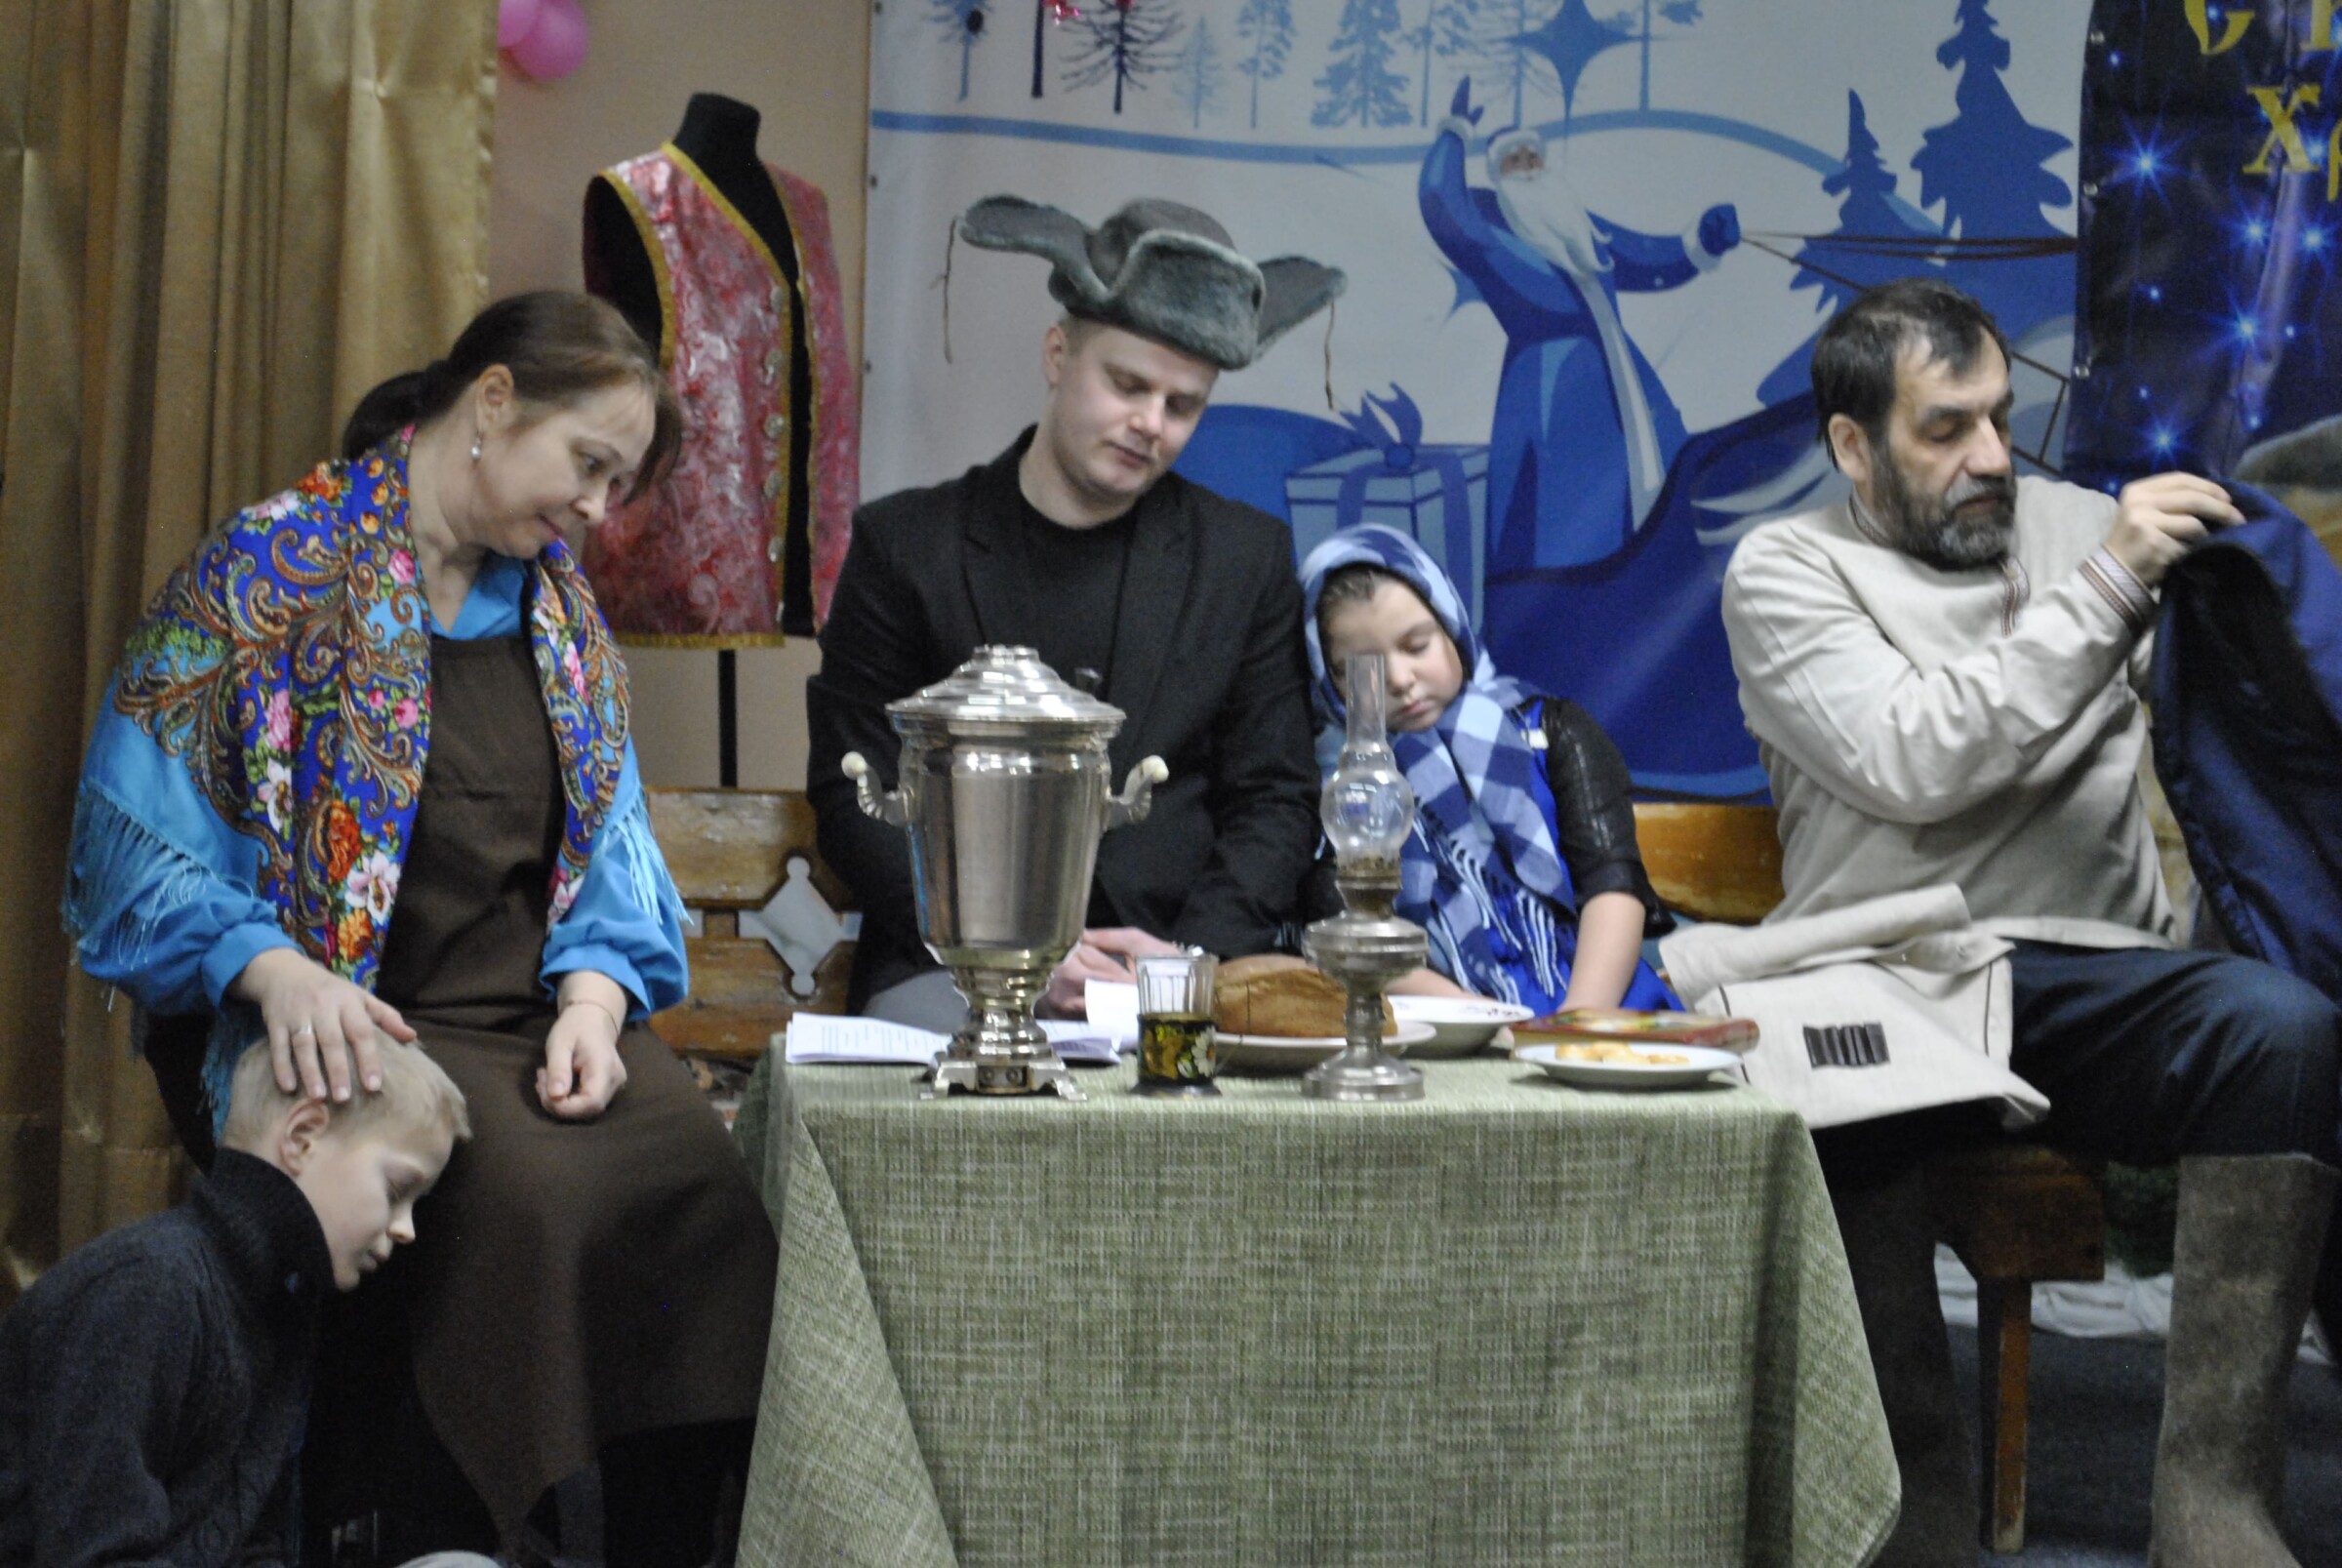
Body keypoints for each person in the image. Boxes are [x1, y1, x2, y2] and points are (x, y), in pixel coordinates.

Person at [61, 292, 780, 1564]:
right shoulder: (267, 572)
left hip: (532, 1016)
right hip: (349, 1016)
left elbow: (614, 851)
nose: (597, 510)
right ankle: (451, 1538)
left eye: (617, 483)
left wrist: (596, 1002)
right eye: (589, 465)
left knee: (705, 1194)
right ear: (494, 402)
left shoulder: (561, 617)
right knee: (527, 1199)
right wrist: (273, 969)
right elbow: (124, 847)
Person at [1720, 276, 2341, 1567]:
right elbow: (1914, 756)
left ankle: (2214, 1497)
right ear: (1854, 446)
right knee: (1823, 1072)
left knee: (2283, 1026)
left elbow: (2255, 688)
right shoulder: (1785, 569)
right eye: (1946, 428)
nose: (1993, 456)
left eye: (2001, 418)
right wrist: (2113, 582)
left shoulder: (2080, 525)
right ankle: (1911, 1505)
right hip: (1893, 977)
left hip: (2095, 973)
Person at [809, 195, 1344, 1028]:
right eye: (1127, 384)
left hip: (1170, 970)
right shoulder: (907, 545)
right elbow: (854, 793)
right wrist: (1007, 950)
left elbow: (1274, 798)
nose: (1150, 424)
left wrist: (1185, 965)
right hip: (954, 975)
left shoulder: (1244, 560)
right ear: (1058, 354)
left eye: (1182, 405)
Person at [0, 1037, 472, 1568]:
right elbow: (92, 1552)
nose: (407, 1229)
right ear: (302, 1137)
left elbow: (251, 1540)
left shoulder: (280, 1305)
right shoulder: (149, 1287)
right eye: (397, 1191)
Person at [1299, 525, 1675, 1012]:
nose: (1400, 679)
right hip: (1437, 1021)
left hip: (1600, 1006)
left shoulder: (1552, 731)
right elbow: (1348, 932)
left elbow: (1613, 885)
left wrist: (1575, 1022)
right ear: (1327, 681)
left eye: (1416, 646)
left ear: (1451, 627)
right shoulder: (1337, 785)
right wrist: (1480, 1019)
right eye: (1361, 669)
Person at [1420, 77, 1740, 575]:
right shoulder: (1493, 235)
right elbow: (1443, 206)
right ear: (1499, 176)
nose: (1529, 167)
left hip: (1618, 379)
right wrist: (1454, 135)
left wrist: (1704, 240)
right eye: (1514, 160)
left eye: (1533, 157)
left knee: (1648, 487)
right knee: (1559, 512)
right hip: (1547, 392)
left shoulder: (1578, 228)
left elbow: (1644, 255)